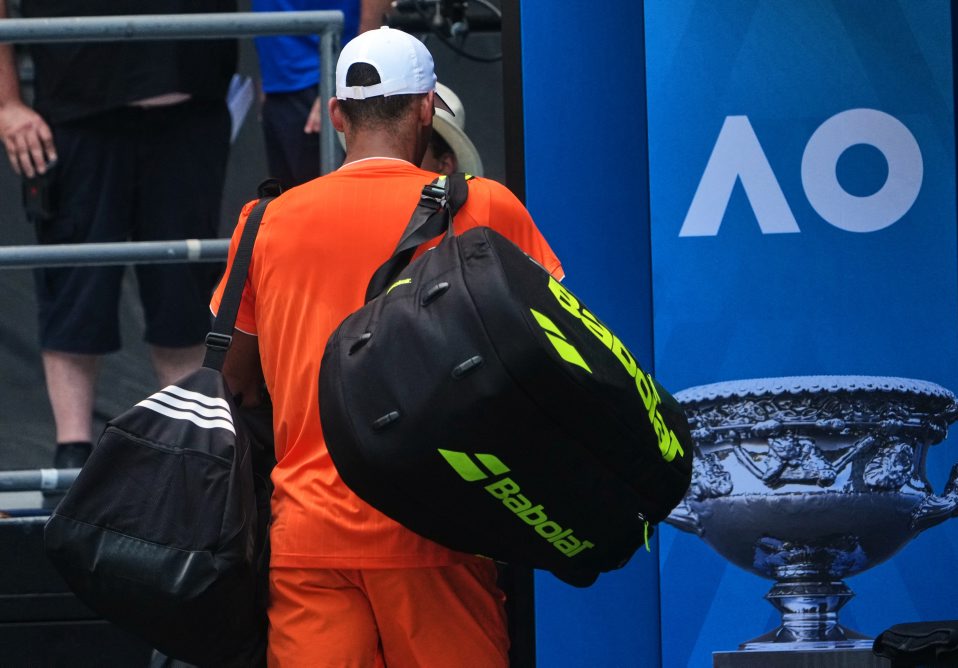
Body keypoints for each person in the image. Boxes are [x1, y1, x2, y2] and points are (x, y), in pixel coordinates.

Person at [212, 26, 563, 667]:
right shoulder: (484, 207)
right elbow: (560, 355)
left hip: (308, 536)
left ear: (338, 115)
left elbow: (235, 377)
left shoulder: (263, 222)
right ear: (429, 108)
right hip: (444, 530)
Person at [0, 0, 237, 477]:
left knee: (184, 293)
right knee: (73, 287)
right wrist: (6, 103)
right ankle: (71, 455)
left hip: (192, 107)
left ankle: (187, 450)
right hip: (77, 113)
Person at [252, 0, 393, 188]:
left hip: (322, 77)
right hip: (279, 85)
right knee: (288, 206)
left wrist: (345, 81)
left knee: (326, 205)